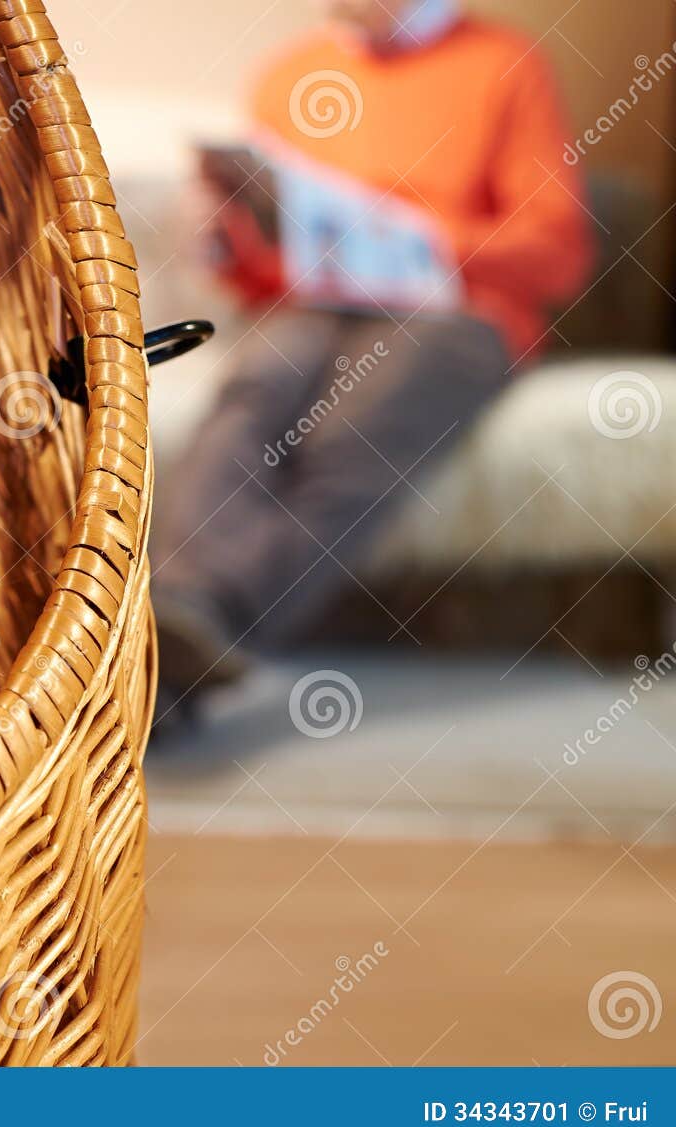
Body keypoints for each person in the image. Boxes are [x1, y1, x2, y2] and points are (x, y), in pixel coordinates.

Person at [150, 0, 591, 715]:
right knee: (256, 389)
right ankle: (180, 621)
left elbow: (556, 252)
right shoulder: (293, 74)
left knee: (355, 428)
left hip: (455, 310)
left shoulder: (505, 65)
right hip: (315, 307)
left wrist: (411, 233)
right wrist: (221, 242)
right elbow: (267, 267)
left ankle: (189, 632)